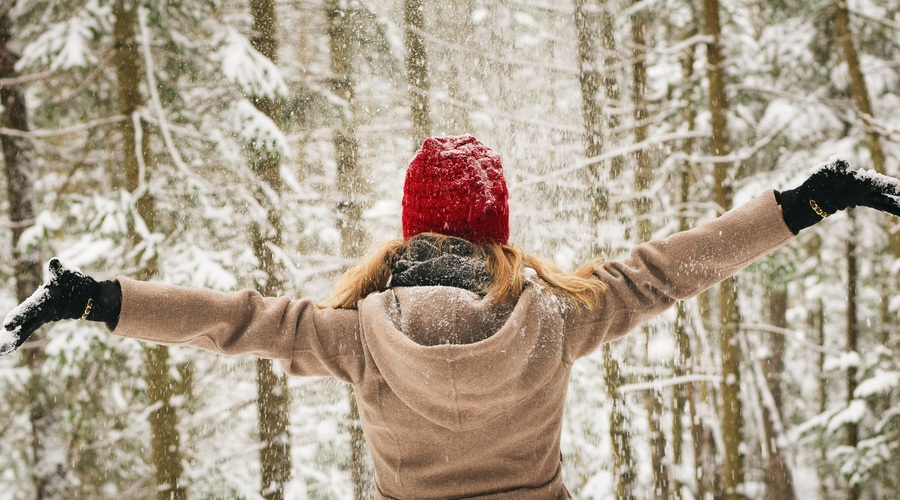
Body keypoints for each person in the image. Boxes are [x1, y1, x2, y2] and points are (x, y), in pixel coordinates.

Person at [3, 134, 900, 499]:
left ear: (410, 228)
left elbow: (236, 321)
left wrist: (97, 299)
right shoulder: (557, 318)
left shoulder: (358, 338)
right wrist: (808, 201)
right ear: (498, 230)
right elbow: (673, 269)